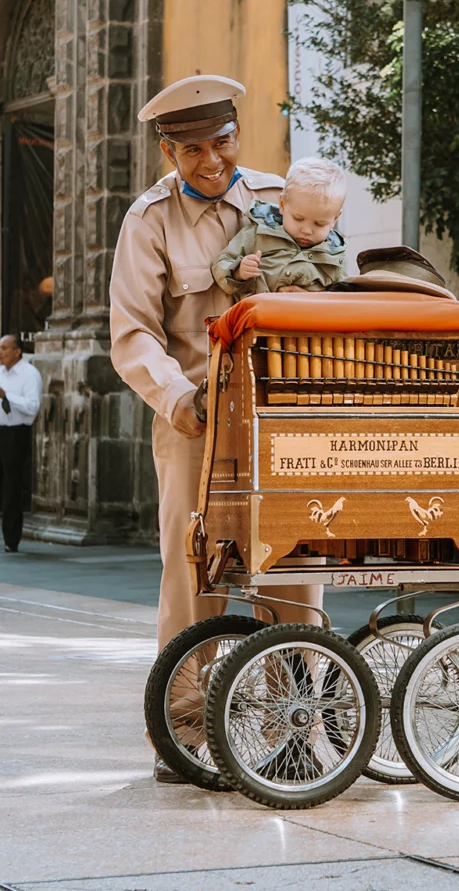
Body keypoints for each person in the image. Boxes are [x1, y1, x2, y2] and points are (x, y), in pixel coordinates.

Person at [109, 75, 323, 783]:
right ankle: (184, 731)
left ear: (236, 135)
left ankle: (295, 728)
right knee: (194, 573)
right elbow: (133, 333)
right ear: (168, 152)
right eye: (193, 149)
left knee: (294, 569)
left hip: (284, 417)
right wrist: (179, 398)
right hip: (195, 423)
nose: (211, 160)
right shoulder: (149, 220)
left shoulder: (278, 198)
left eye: (222, 142)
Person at [212, 156, 347, 299]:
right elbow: (222, 263)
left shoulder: (336, 257)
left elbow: (344, 298)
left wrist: (314, 298)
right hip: (258, 313)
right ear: (282, 205)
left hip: (310, 314)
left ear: (335, 218)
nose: (306, 230)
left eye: (319, 224)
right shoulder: (258, 234)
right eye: (298, 218)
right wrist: (238, 271)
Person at [0, 334, 42, 552]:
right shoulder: (0, 372)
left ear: (17, 351)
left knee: (12, 485)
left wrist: (6, 396)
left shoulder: (29, 374)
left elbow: (32, 406)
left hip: (16, 433)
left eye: (4, 348)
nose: (0, 352)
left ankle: (11, 538)